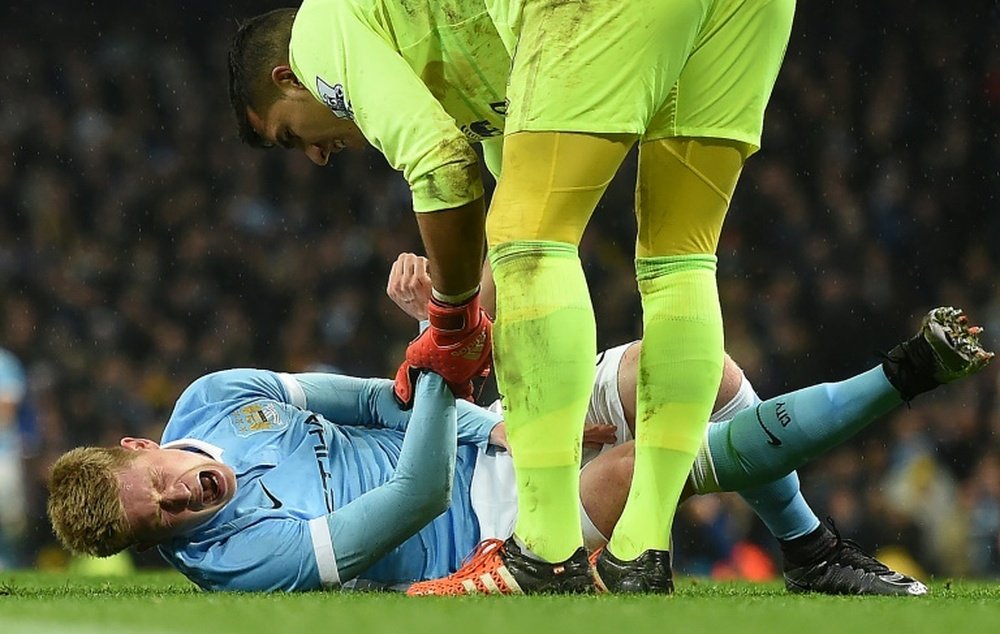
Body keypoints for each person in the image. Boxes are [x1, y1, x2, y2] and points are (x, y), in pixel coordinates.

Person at [227, 0, 797, 592]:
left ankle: (543, 555)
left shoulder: (320, 32)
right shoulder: (458, 51)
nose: (317, 155)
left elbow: (442, 167)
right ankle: (641, 550)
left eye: (292, 135)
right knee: (679, 257)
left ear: (288, 78)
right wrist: (466, 329)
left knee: (536, 244)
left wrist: (450, 320)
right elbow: (504, 218)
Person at [47, 297, 991, 593]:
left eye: (159, 484)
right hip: (484, 532)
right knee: (644, 465)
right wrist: (447, 364)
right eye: (161, 526)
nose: (181, 503)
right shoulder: (237, 563)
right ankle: (903, 373)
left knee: (694, 366)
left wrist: (474, 407)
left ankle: (808, 550)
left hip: (476, 436)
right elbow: (416, 500)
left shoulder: (217, 397)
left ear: (142, 443)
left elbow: (385, 400)